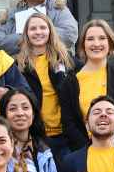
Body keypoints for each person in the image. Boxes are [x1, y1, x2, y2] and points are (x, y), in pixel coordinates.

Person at [16, 11, 85, 162]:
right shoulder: (19, 66)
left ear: (50, 31)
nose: (38, 32)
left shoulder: (67, 61)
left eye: (43, 27)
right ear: (26, 33)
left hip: (66, 136)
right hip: (37, 136)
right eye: (33, 29)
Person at [0, 0, 79, 56]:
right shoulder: (12, 14)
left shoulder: (59, 9)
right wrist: (31, 37)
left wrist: (30, 37)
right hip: (21, 66)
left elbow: (69, 34)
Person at [74, 19, 114, 123]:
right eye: (90, 39)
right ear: (83, 44)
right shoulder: (71, 81)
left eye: (102, 38)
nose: (96, 43)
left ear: (110, 43)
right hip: (82, 139)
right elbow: (69, 122)